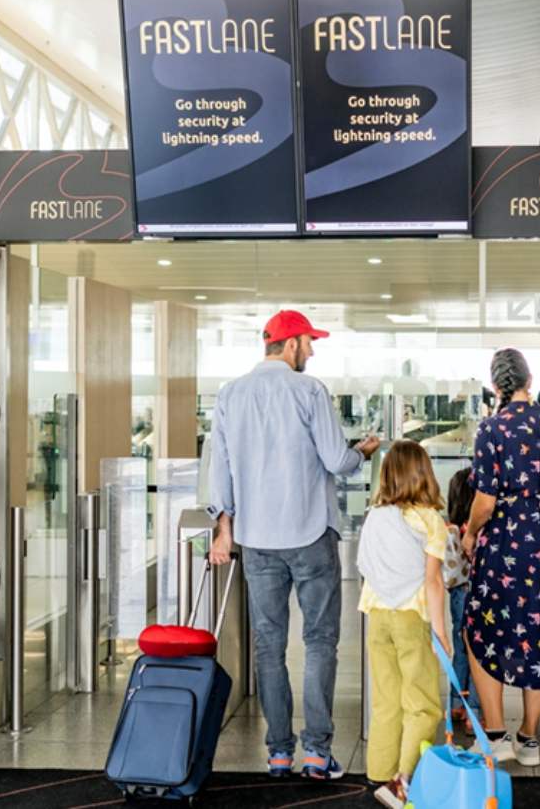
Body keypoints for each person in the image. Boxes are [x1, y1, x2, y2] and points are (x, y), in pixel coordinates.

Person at [208, 310, 380, 781]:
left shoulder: (230, 395)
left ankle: (278, 753)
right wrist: (362, 452)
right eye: (308, 341)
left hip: (257, 541)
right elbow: (336, 460)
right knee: (320, 641)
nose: (312, 350)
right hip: (308, 535)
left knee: (269, 647)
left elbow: (218, 469)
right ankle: (316, 753)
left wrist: (224, 530)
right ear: (289, 345)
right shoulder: (309, 391)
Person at [461, 348, 540, 768]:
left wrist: (470, 532)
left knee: (481, 627)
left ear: (496, 385)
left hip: (502, 542)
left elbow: (484, 499)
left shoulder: (490, 428)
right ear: (530, 381)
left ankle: (496, 735)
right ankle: (530, 738)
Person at [357, 440, 449, 809]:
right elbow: (433, 582)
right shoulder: (431, 520)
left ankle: (378, 773)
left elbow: (364, 566)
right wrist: (442, 634)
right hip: (413, 617)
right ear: (424, 473)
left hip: (377, 616)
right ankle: (404, 781)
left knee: (386, 699)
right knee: (423, 704)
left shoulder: (375, 515)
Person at [444, 468, 481, 736]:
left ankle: (456, 704)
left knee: (460, 648)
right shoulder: (482, 529)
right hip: (481, 594)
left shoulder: (449, 530)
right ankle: (476, 712)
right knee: (480, 653)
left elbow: (448, 571)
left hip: (457, 594)